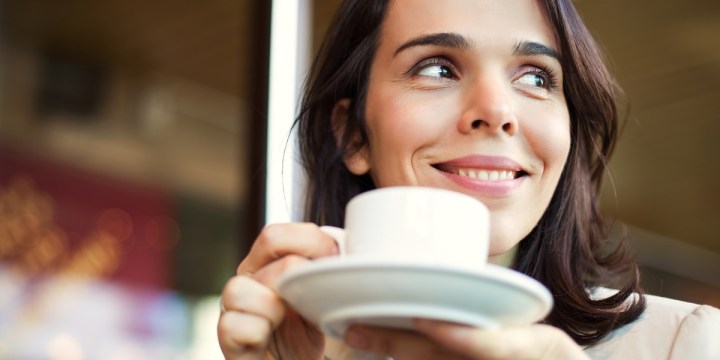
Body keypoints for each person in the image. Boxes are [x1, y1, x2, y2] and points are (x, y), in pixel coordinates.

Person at [218, 0, 720, 359]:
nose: (498, 112)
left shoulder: (686, 344)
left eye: (536, 76)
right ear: (353, 135)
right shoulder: (313, 349)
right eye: (436, 69)